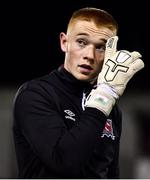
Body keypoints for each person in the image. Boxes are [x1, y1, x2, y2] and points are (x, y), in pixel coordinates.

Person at [12, 7, 144, 178]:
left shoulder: (111, 106)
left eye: (101, 47)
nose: (89, 55)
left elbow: (110, 171)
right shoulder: (35, 94)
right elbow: (64, 162)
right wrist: (104, 95)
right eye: (81, 42)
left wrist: (105, 96)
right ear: (64, 42)